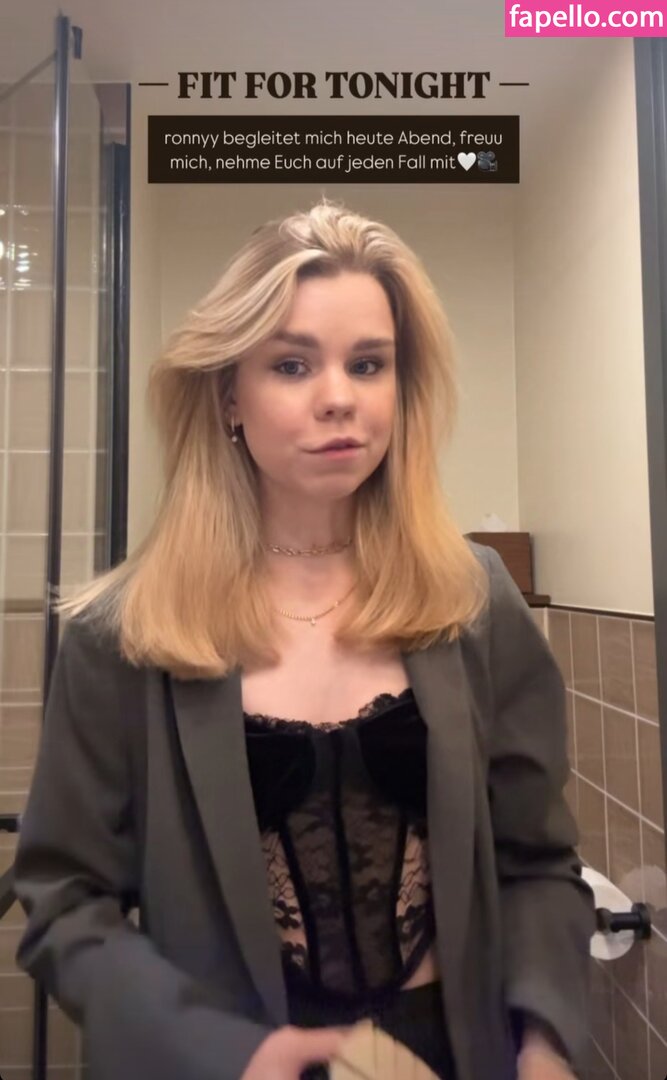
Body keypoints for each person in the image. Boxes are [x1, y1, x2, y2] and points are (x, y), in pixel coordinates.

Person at [13, 199, 596, 1080]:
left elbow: (539, 863)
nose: (338, 398)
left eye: (368, 364)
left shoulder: (474, 599)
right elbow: (65, 905)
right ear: (228, 395)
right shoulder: (122, 634)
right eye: (291, 364)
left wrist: (543, 1044)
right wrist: (220, 1052)